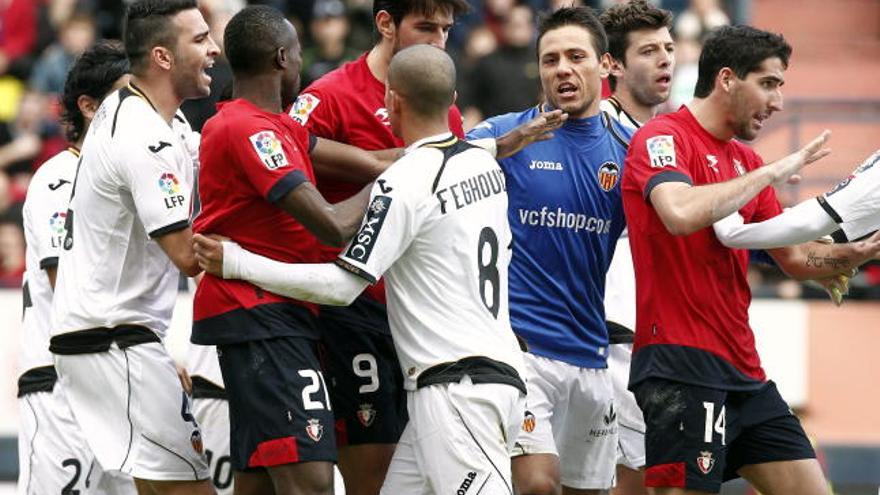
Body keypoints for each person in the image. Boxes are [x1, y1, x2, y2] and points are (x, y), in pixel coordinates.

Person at [193, 43, 527, 495]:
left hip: (456, 385)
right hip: (491, 372)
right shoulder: (482, 165)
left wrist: (237, 261)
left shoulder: (405, 182)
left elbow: (339, 285)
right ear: (452, 103)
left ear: (391, 102)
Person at [622, 25, 880, 495]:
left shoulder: (744, 160)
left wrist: (853, 253)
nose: (778, 102)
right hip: (681, 362)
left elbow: (796, 258)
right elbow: (678, 213)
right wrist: (773, 172)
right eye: (769, 83)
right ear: (726, 79)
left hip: (744, 371)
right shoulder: (662, 139)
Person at [191, 5, 416, 494]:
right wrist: (399, 184)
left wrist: (447, 151)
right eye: (295, 55)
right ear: (279, 58)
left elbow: (372, 161)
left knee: (260, 485)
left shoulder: (279, 127)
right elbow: (334, 226)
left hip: (280, 316)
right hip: (259, 317)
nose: (300, 65)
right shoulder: (248, 130)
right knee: (311, 482)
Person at [287, 1, 470, 492]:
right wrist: (385, 163)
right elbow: (284, 147)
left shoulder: (442, 105)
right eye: (425, 27)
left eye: (446, 30)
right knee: (377, 472)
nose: (438, 41)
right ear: (386, 23)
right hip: (352, 311)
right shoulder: (328, 96)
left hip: (421, 320)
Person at [48, 1, 220, 493]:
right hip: (113, 339)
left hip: (113, 336)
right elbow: (189, 256)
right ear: (163, 57)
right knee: (190, 487)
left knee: (157, 486)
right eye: (200, 39)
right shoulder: (143, 136)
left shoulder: (146, 114)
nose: (213, 49)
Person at [467, 7, 632, 495]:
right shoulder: (504, 136)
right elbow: (436, 166)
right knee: (538, 485)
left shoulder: (630, 151)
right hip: (522, 351)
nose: (562, 68)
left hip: (591, 355)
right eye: (550, 59)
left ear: (605, 66)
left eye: (575, 56)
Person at [18, 40, 136, 495]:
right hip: (60, 384)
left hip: (122, 386)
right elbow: (66, 284)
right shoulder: (57, 177)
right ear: (88, 107)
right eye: (124, 97)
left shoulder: (128, 177)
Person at [597, 2, 674, 494]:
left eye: (668, 48)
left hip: (648, 340)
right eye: (648, 51)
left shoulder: (667, 139)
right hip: (604, 338)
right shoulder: (590, 132)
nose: (665, 59)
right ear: (613, 65)